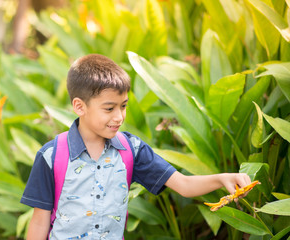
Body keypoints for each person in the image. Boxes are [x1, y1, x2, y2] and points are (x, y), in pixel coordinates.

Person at [20, 54, 251, 239]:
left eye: (124, 106)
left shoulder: (131, 150)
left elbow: (184, 184)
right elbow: (40, 221)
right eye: (109, 109)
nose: (119, 116)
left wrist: (222, 179)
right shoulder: (52, 156)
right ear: (80, 107)